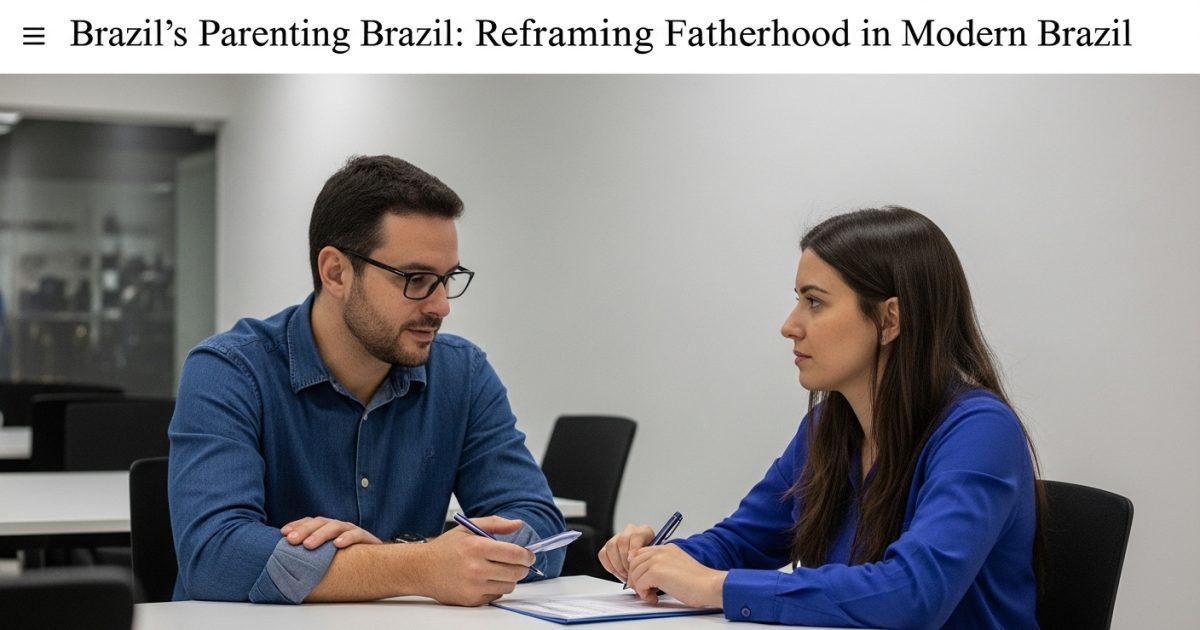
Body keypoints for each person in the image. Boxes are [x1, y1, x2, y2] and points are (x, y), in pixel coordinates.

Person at [599, 207, 1040, 629]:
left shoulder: (980, 430)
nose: (789, 325)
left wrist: (718, 586)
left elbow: (914, 593)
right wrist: (657, 559)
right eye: (798, 300)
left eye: (814, 302)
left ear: (889, 319)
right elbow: (745, 541)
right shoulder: (828, 424)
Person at [169, 155, 565, 605]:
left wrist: (406, 562)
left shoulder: (463, 373)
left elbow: (542, 531)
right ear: (336, 271)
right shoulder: (230, 370)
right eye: (415, 279)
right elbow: (215, 557)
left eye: (446, 279)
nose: (441, 306)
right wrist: (418, 566)